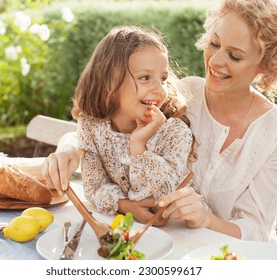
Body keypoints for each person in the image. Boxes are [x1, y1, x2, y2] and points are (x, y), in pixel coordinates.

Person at [42, 0, 277, 242]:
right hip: (165, 244)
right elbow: (111, 126)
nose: (215, 61)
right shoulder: (183, 94)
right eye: (215, 44)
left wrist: (207, 220)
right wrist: (69, 148)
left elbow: (257, 231)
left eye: (235, 56)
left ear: (267, 65)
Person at [60, 25, 196, 222]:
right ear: (110, 82)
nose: (160, 89)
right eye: (145, 78)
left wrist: (138, 148)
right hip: (129, 229)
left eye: (163, 79)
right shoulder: (92, 126)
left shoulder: (174, 133)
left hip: (181, 232)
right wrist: (125, 206)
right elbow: (94, 187)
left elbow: (160, 199)